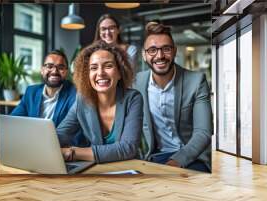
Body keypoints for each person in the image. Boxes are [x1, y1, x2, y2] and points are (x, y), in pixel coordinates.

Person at [134, 22, 212, 172]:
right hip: (154, 157)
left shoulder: (197, 81)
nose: (160, 56)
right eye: (152, 50)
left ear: (174, 51)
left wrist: (176, 162)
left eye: (166, 49)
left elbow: (203, 132)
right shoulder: (137, 82)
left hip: (191, 157)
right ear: (144, 55)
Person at [56, 41, 143, 164]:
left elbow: (127, 148)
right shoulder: (82, 99)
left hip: (130, 169)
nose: (100, 73)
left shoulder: (133, 98)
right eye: (94, 68)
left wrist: (73, 152)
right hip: (96, 170)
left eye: (108, 66)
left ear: (119, 73)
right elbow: (60, 135)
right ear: (87, 74)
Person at [11, 50, 76, 127]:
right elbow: (14, 119)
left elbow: (74, 130)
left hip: (58, 139)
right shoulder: (31, 92)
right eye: (49, 66)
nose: (54, 71)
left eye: (60, 67)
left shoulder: (75, 94)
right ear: (42, 70)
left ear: (66, 72)